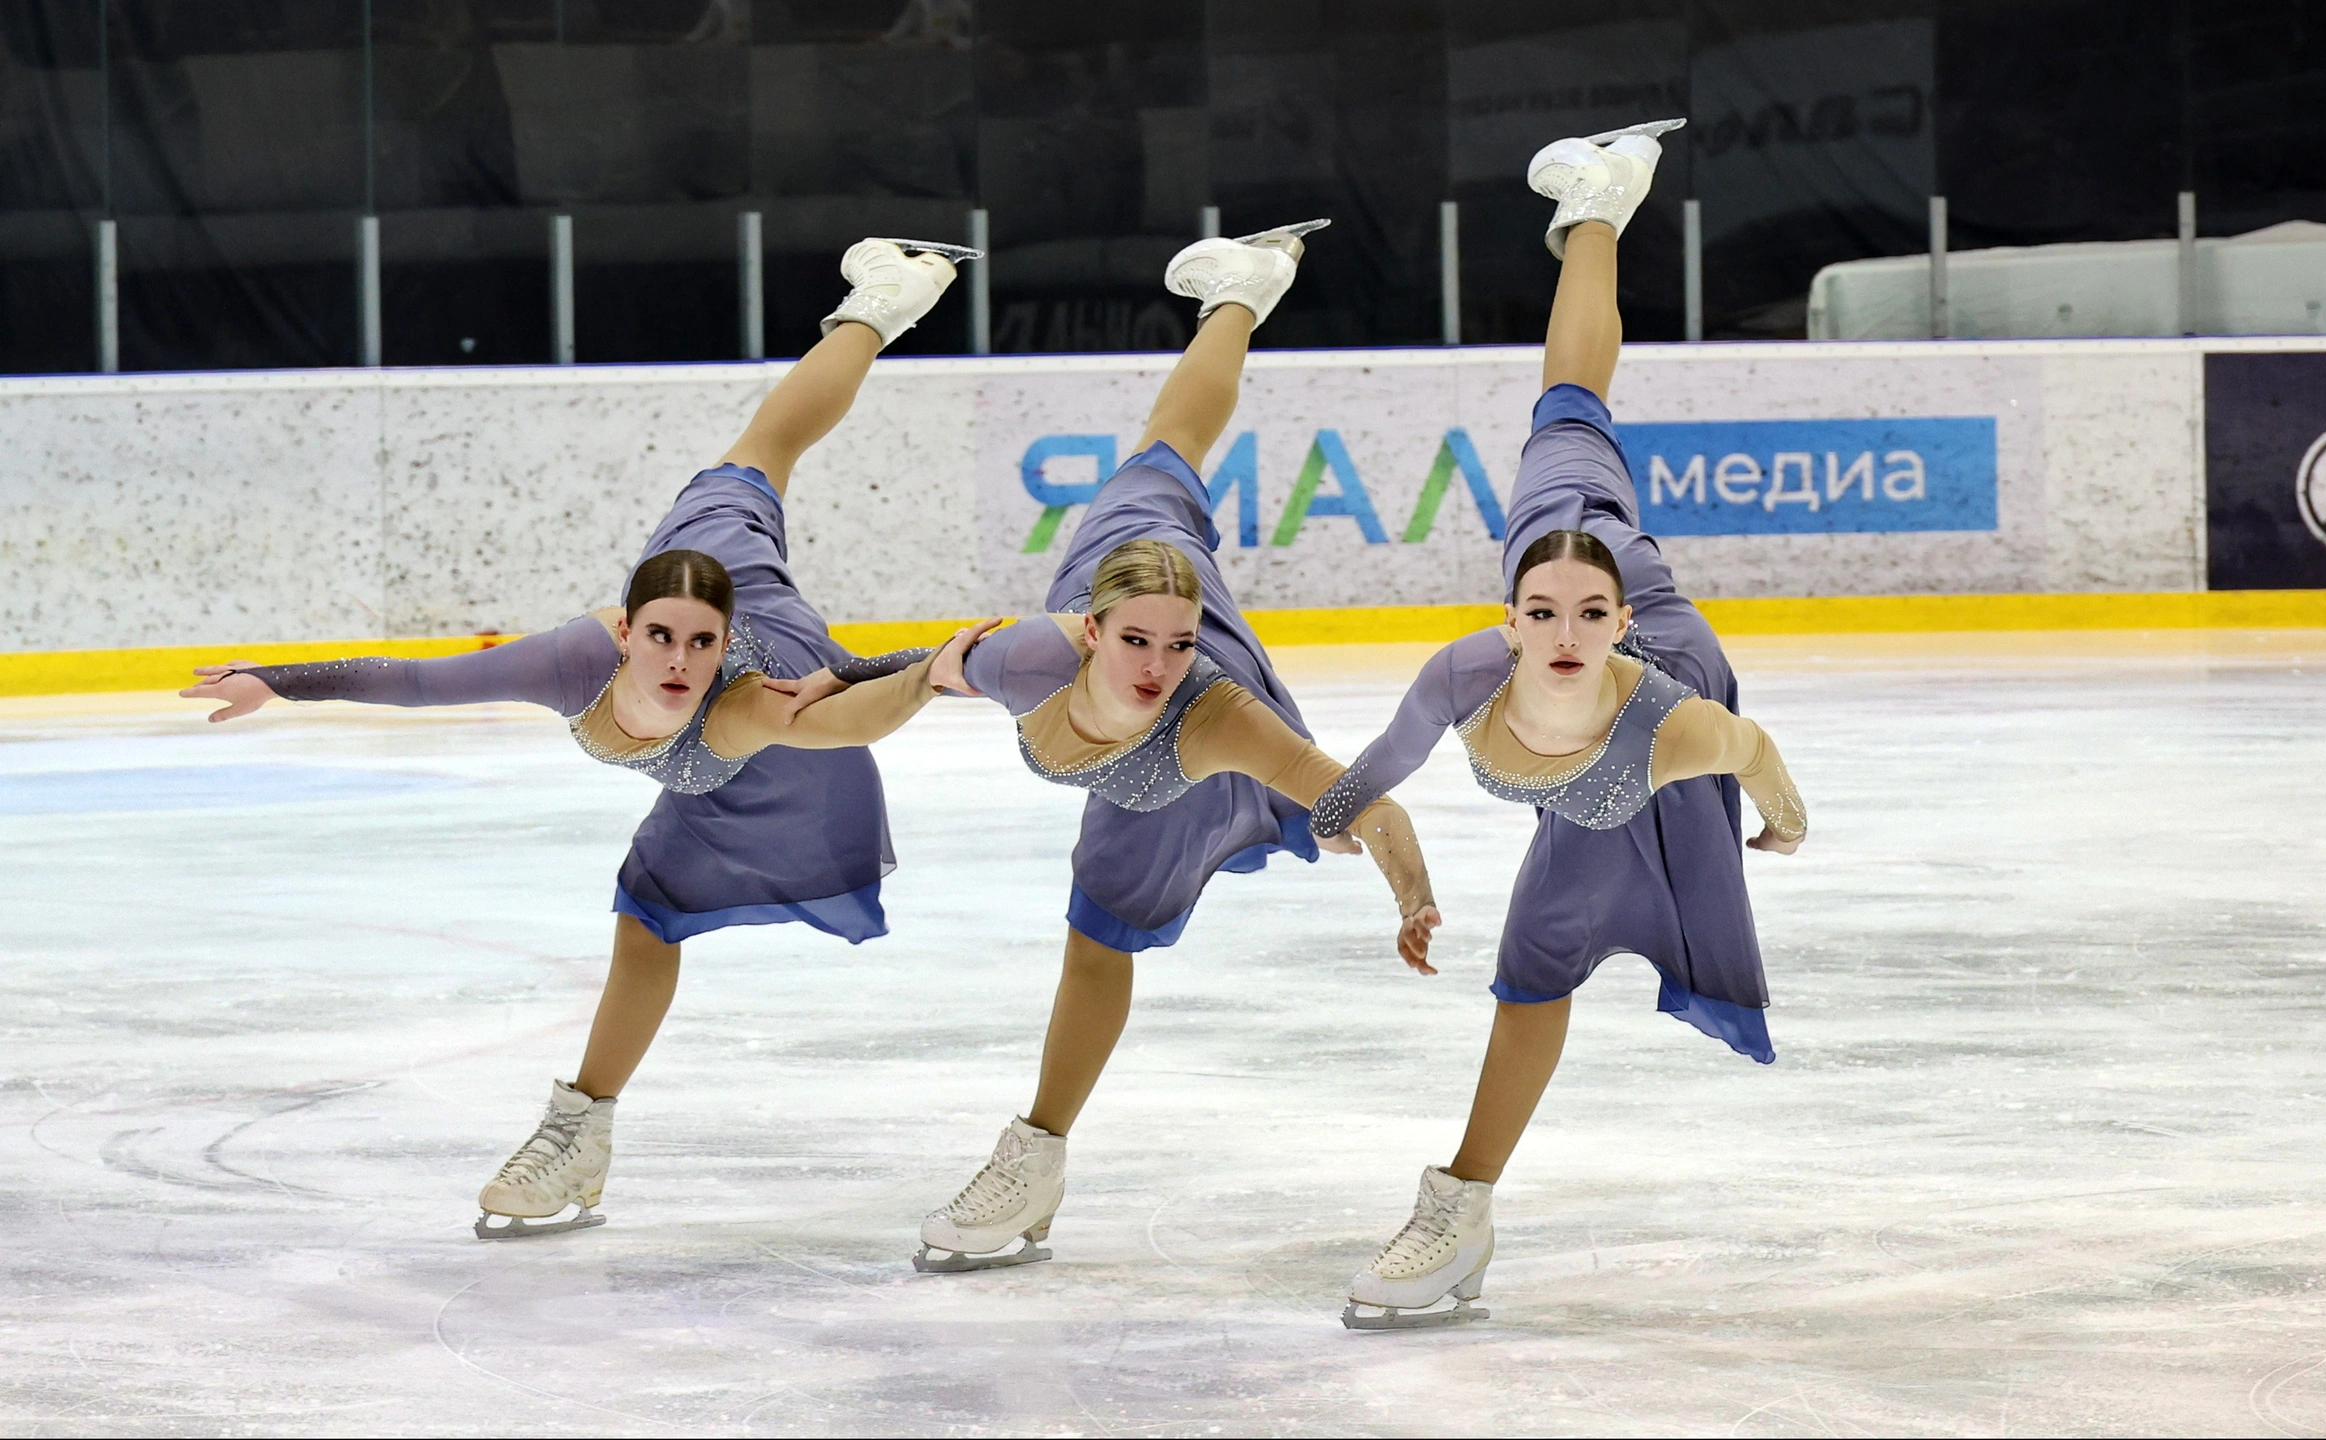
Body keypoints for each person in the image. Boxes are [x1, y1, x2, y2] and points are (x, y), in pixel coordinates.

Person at [178, 238, 993, 1239]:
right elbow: (421, 684)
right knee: (756, 453)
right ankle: (884, 298)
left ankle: (576, 1128)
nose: (679, 662)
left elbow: (844, 715)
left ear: (717, 637)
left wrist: (930, 672)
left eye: (697, 643)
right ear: (621, 630)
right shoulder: (576, 656)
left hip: (786, 709)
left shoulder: (737, 696)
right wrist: (282, 682)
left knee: (653, 902)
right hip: (703, 554)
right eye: (660, 640)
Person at [811, 221, 1440, 1271]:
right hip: (1123, 554)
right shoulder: (1028, 660)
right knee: (1158, 456)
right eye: (1135, 644)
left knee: (1098, 921)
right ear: (1092, 633)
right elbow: (908, 670)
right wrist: (816, 687)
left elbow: (1372, 800)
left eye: (1172, 647)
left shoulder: (1212, 706)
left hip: (1177, 716)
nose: (1153, 664)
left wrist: (1407, 888)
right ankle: (1243, 284)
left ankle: (1034, 1153)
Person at [1306, 124, 1810, 1328]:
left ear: (1613, 621)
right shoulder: (1477, 665)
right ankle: (1600, 204)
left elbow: (1751, 755)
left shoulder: (1666, 718)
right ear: (1512, 613)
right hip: (1580, 547)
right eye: (1540, 615)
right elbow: (1381, 768)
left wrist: (1784, 821)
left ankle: (1457, 1206)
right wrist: (1343, 829)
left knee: (1535, 962)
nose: (1565, 633)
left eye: (1585, 618)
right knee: (1567, 408)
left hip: (1643, 698)